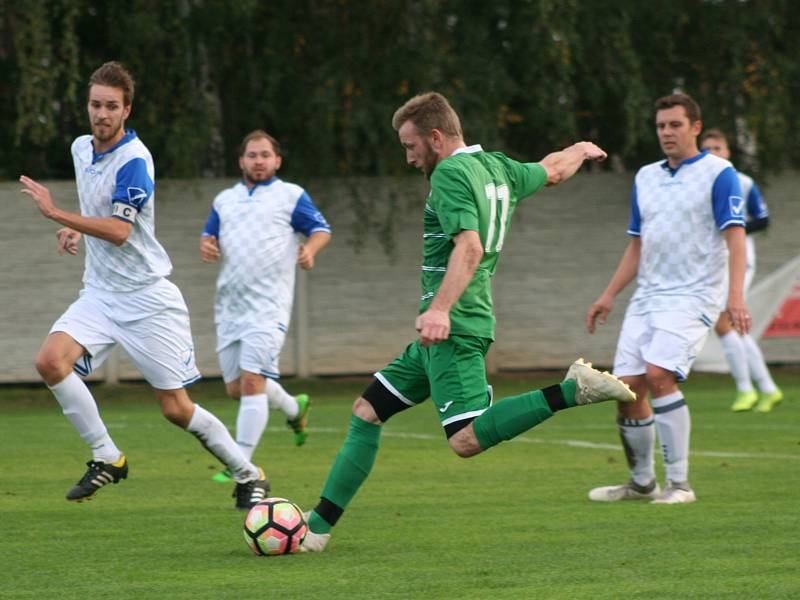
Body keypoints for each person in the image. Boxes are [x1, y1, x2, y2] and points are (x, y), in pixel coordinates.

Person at [299, 91, 636, 553]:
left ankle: (571, 390)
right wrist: (579, 149)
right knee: (367, 411)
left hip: (453, 327)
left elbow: (470, 247)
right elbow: (552, 169)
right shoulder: (496, 167)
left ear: (435, 138)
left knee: (465, 439)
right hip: (442, 333)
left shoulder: (451, 175)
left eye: (410, 144)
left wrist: (439, 310)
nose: (408, 155)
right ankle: (317, 528)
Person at [19, 61, 269, 509]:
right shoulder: (81, 148)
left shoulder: (136, 161)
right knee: (50, 361)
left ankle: (249, 473)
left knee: (176, 409)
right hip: (99, 292)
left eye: (111, 106)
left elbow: (119, 231)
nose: (102, 114)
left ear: (127, 110)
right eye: (96, 104)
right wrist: (78, 228)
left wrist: (57, 215)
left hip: (147, 298)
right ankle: (107, 457)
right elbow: (98, 207)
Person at [585, 93, 750, 505]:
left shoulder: (720, 173)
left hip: (695, 294)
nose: (667, 133)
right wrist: (608, 294)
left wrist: (735, 297)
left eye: (675, 124)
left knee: (660, 375)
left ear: (695, 127)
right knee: (627, 389)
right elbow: (637, 245)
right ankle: (642, 484)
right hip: (648, 296)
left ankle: (680, 485)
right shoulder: (645, 177)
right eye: (661, 126)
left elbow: (736, 238)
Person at [200, 130, 332, 482]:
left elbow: (321, 229)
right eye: (252, 155)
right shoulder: (224, 200)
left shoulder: (290, 196)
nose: (258, 161)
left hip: (268, 307)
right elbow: (208, 237)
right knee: (235, 388)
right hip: (229, 306)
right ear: (241, 160)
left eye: (265, 155)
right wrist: (208, 246)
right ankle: (293, 406)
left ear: (277, 160)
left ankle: (240, 463)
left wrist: (310, 250)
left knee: (252, 383)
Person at [699, 129, 783, 413]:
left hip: (739, 260)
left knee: (726, 323)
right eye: (706, 148)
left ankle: (747, 388)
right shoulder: (699, 183)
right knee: (730, 327)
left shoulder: (743, 182)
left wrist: (733, 228)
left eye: (717, 147)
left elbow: (763, 219)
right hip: (713, 262)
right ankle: (766, 388)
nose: (712, 152)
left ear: (727, 152)